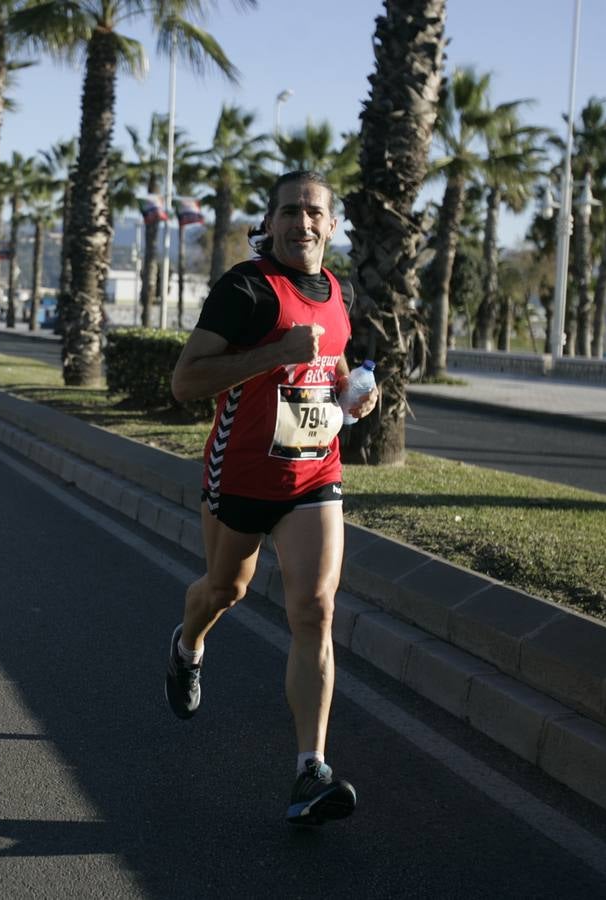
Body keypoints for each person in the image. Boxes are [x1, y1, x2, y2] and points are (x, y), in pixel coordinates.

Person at [164, 170, 379, 827]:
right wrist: (274, 353)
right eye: (290, 212)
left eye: (314, 212)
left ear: (332, 225)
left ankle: (309, 771)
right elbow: (185, 382)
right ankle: (187, 645)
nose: (301, 223)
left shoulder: (337, 293)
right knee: (223, 592)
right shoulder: (246, 288)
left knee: (314, 608)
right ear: (272, 219)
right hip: (243, 475)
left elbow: (332, 370)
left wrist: (353, 396)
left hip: (315, 474)